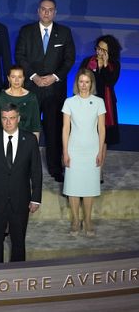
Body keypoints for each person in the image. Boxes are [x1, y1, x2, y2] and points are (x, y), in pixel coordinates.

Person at [15, 0, 75, 183]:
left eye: (50, 10)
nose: (46, 12)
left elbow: (69, 59)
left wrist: (54, 77)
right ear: (38, 11)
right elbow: (20, 55)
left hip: (54, 90)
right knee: (26, 130)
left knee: (54, 130)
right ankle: (22, 168)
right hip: (31, 89)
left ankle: (56, 169)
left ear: (55, 12)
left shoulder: (64, 32)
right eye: (43, 9)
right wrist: (33, 76)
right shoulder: (26, 31)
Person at [0, 104, 42, 263]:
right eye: (4, 118)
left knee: (19, 242)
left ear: (18, 119)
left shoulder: (30, 140)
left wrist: (36, 198)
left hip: (20, 200)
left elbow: (36, 171)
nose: (8, 122)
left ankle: (18, 278)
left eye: (12, 118)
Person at [62, 69, 106, 237]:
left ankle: (87, 220)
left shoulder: (99, 102)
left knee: (89, 187)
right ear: (77, 83)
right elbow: (66, 129)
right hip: (74, 149)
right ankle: (75, 220)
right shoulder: (69, 102)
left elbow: (101, 129)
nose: (84, 85)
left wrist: (101, 150)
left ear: (91, 84)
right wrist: (65, 151)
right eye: (81, 81)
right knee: (73, 187)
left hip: (92, 149)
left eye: (87, 82)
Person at [79, 35, 122, 153]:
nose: (99, 52)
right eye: (98, 48)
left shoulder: (114, 65)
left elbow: (110, 82)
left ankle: (99, 169)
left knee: (103, 138)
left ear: (110, 52)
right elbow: (80, 80)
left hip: (105, 104)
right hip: (87, 102)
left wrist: (105, 65)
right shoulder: (88, 61)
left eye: (103, 50)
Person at [0, 65, 42, 140]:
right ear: (8, 78)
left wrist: (35, 148)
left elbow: (35, 126)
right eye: (13, 77)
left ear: (23, 78)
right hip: (5, 140)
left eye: (20, 77)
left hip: (26, 141)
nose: (16, 80)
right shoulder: (1, 97)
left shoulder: (31, 98)